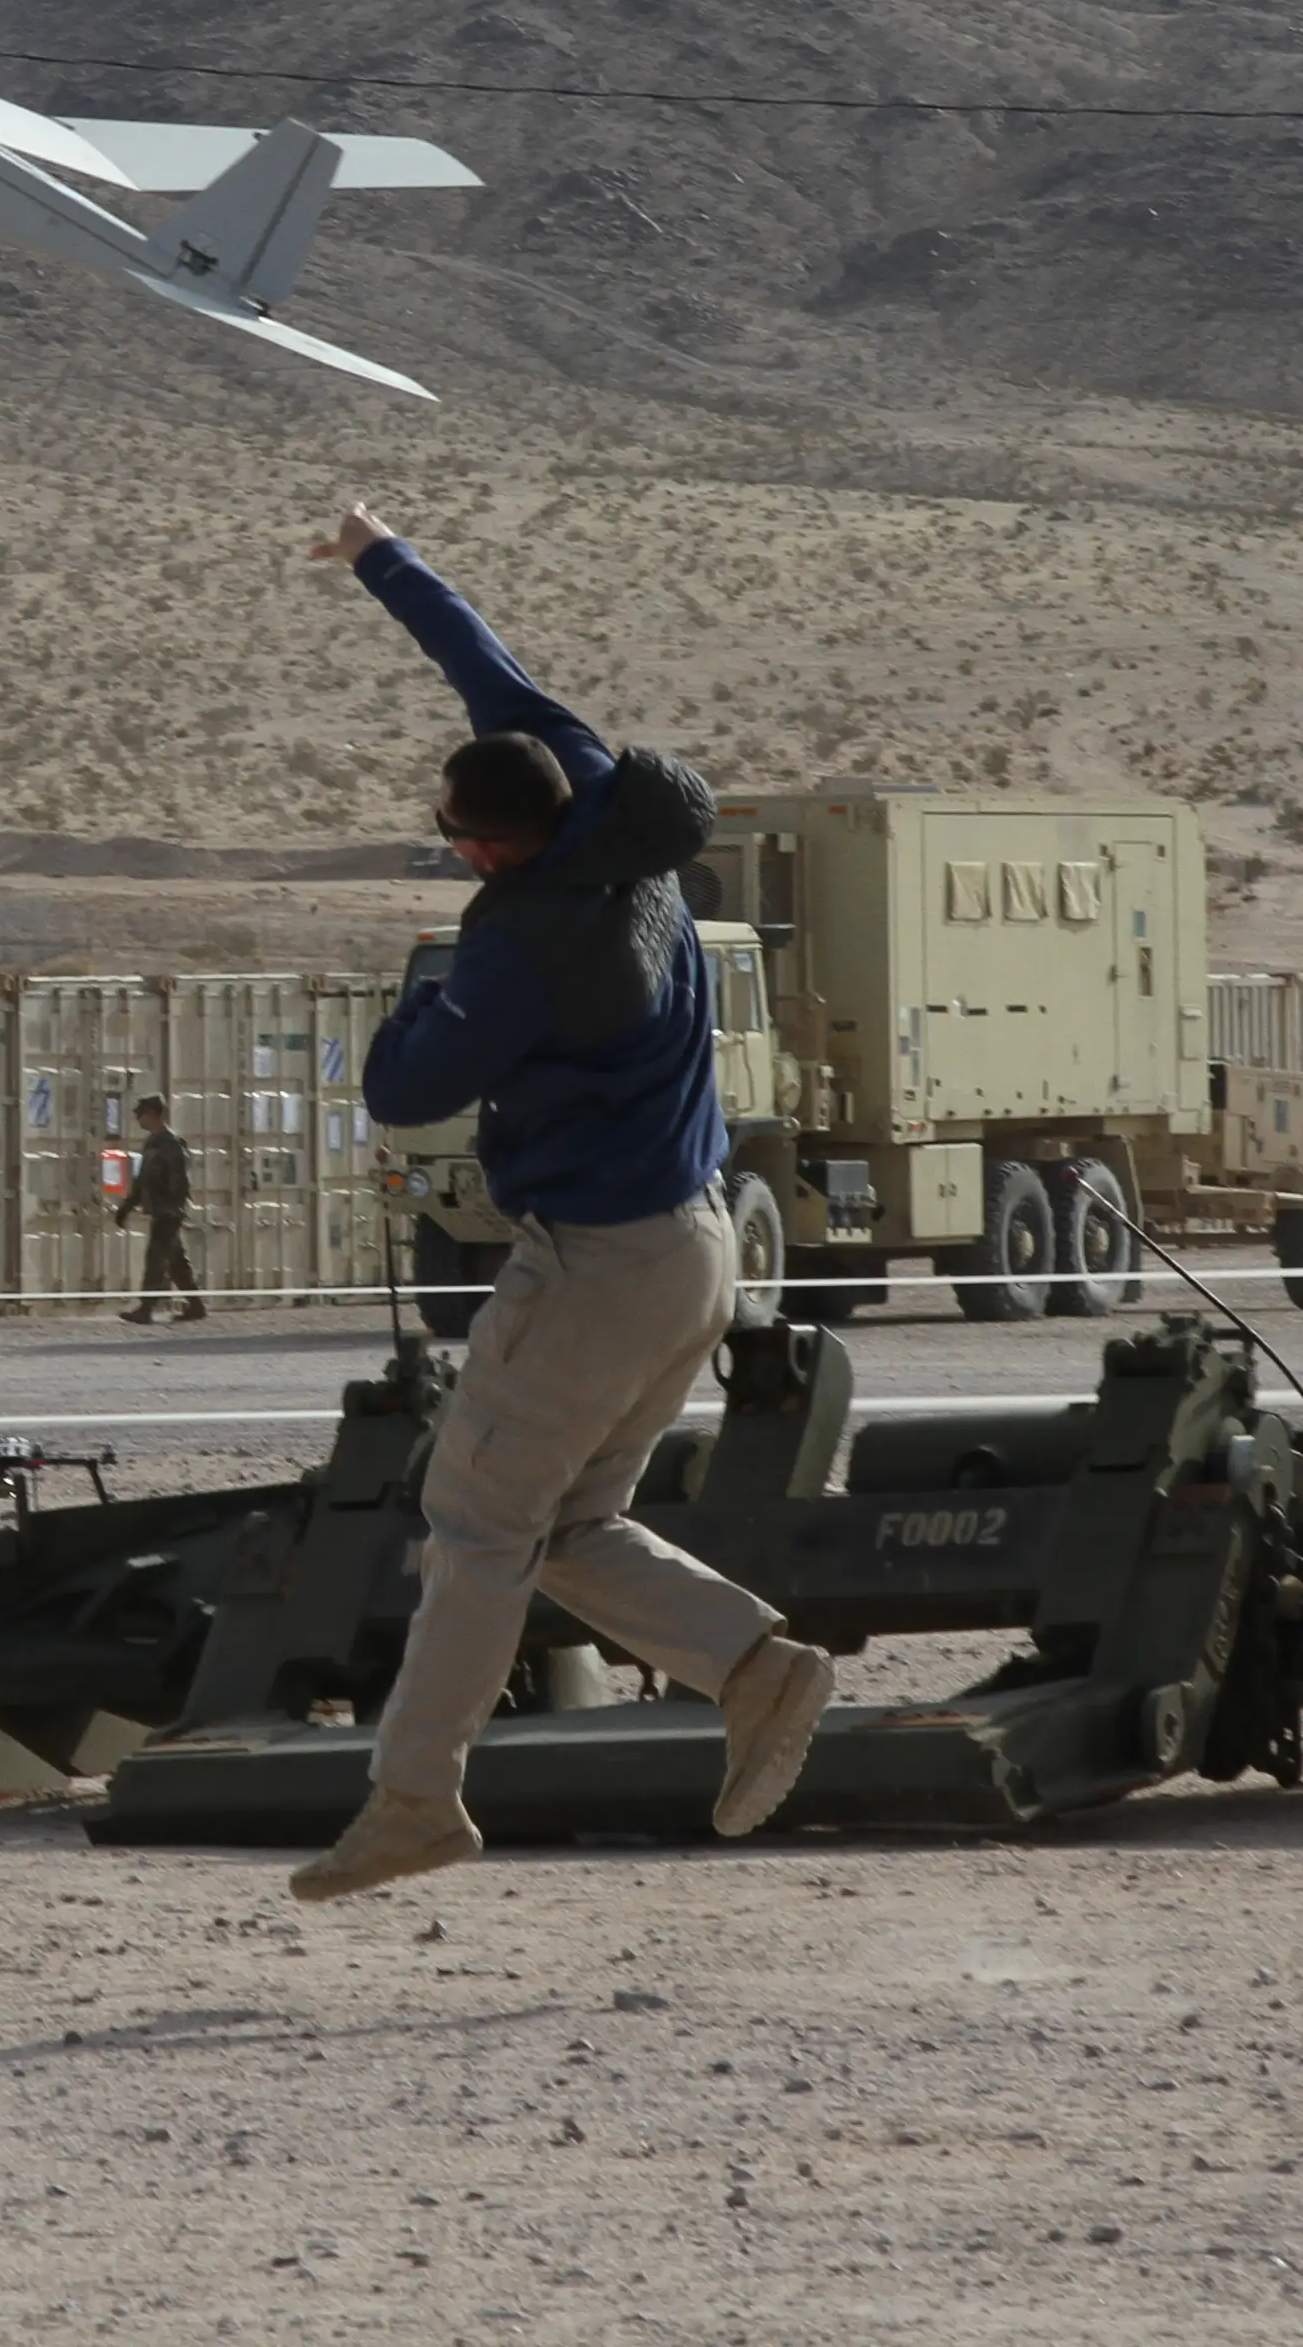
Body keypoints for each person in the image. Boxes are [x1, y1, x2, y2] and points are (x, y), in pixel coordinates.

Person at [288, 501, 835, 1903]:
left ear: (489, 849)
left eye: (456, 841)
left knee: (476, 1526)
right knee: (566, 1528)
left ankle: (415, 1799)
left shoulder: (529, 951)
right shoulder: (600, 795)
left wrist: (422, 1005)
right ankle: (754, 1667)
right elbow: (481, 660)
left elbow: (402, 1089)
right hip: (695, 1247)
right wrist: (380, 555)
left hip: (594, 1266)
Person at [115, 1093, 207, 1324]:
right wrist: (126, 1207)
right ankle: (196, 1305)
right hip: (159, 1210)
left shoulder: (171, 1144)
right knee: (176, 1262)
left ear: (153, 1114)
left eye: (141, 1114)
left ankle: (146, 1308)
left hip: (168, 1212)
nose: (138, 1119)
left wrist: (173, 1209)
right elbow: (142, 1180)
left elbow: (180, 1181)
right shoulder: (152, 1143)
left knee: (155, 1258)